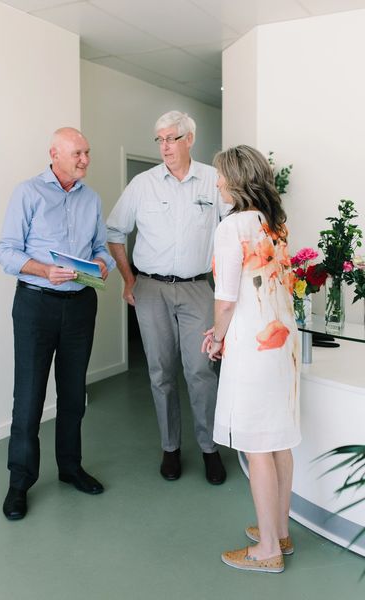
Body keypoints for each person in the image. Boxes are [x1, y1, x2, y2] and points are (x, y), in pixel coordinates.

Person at [0, 127, 115, 520]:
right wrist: (44, 270)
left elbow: (101, 248)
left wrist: (103, 264)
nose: (85, 159)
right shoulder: (27, 193)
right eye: (77, 153)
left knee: (73, 395)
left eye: (87, 152)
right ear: (55, 154)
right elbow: (7, 252)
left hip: (81, 305)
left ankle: (70, 467)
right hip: (36, 305)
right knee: (29, 398)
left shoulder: (91, 198)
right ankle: (19, 483)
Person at [107, 110, 227, 484]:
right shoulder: (142, 184)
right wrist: (129, 281)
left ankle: (209, 448)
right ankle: (170, 448)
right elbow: (114, 232)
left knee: (201, 371)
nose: (164, 147)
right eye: (159, 139)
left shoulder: (213, 181)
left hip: (197, 287)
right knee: (160, 372)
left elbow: (233, 233)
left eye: (171, 138)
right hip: (151, 289)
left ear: (190, 139)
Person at [202, 145, 300, 573]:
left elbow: (225, 300)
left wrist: (216, 337)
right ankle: (279, 531)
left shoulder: (232, 226)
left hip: (253, 346)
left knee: (257, 444)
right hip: (282, 343)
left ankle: (268, 552)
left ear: (238, 180)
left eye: (222, 175)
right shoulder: (274, 224)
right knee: (277, 440)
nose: (218, 182)